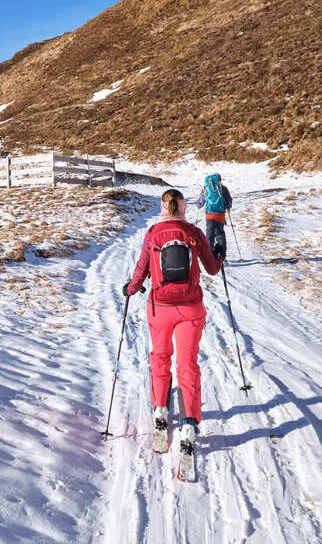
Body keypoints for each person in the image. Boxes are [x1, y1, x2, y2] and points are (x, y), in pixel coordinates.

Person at [123, 188, 222, 451]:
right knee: (187, 364)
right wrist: (218, 252)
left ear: (163, 207)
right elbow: (212, 268)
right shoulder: (194, 233)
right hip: (190, 307)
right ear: (183, 206)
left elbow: (141, 270)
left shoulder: (153, 234)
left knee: (160, 357)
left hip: (160, 307)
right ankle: (189, 423)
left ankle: (160, 412)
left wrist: (130, 289)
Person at [195, 173, 233, 259]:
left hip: (210, 216)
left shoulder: (206, 189)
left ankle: (209, 256)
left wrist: (198, 205)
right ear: (219, 180)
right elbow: (229, 203)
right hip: (220, 215)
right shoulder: (223, 188)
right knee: (220, 234)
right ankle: (222, 255)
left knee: (210, 235)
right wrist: (226, 206)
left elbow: (199, 204)